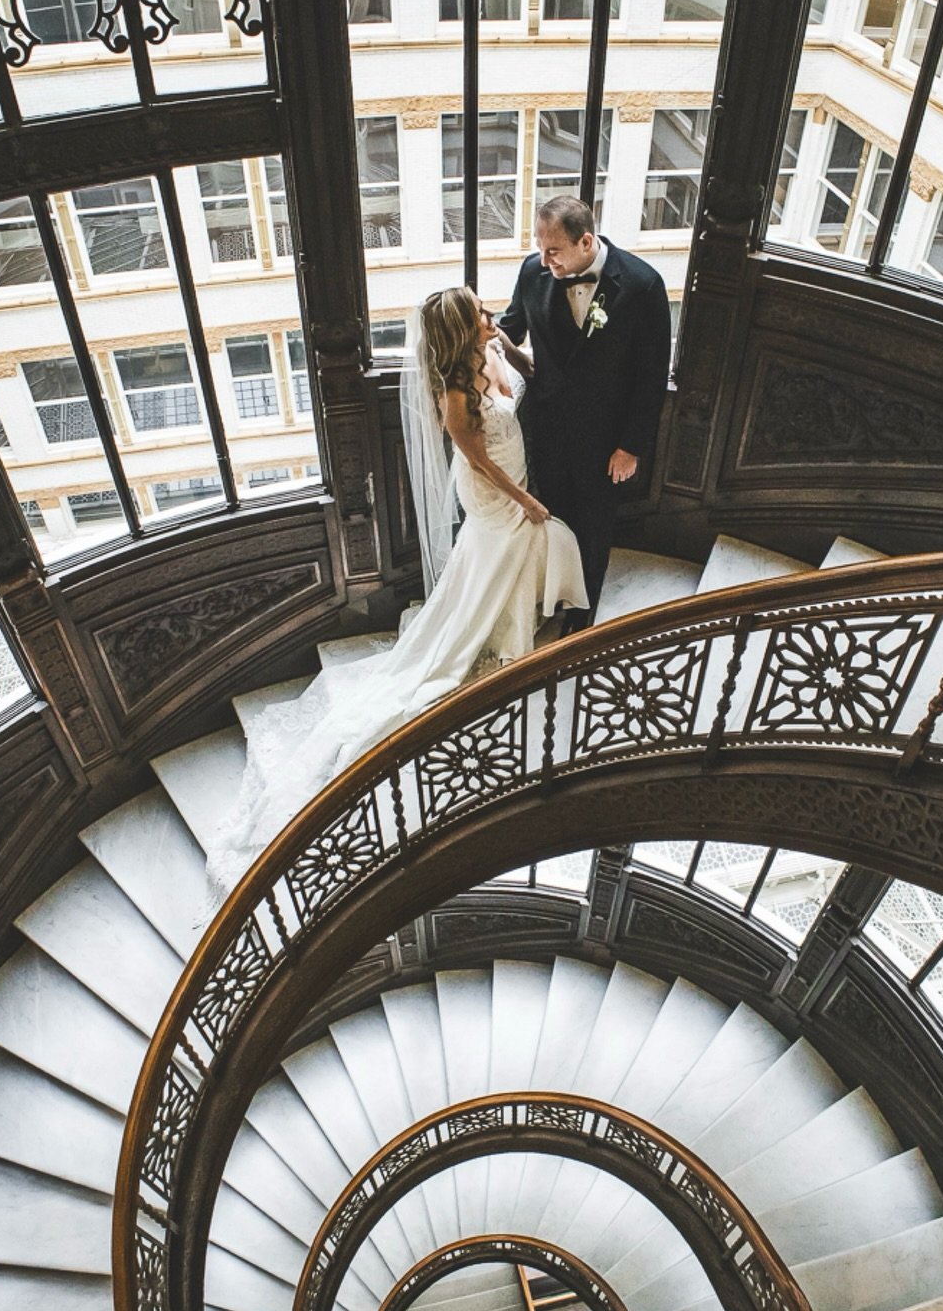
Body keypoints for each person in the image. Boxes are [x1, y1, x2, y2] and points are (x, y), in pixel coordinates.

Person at [206, 286, 586, 902]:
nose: (493, 316)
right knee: (512, 546)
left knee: (517, 555)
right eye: (481, 315)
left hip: (515, 473)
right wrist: (526, 499)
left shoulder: (488, 355)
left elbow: (525, 385)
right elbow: (479, 462)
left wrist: (508, 348)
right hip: (494, 493)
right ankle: (490, 629)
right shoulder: (453, 396)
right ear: (461, 330)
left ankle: (518, 617)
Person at [499, 195, 672, 624]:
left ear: (586, 241)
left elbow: (652, 376)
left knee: (594, 528)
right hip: (547, 429)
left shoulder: (642, 285)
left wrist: (630, 447)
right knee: (553, 518)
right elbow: (510, 327)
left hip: (605, 439)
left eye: (553, 250)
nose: (544, 259)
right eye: (539, 247)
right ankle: (555, 594)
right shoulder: (532, 271)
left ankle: (583, 613)